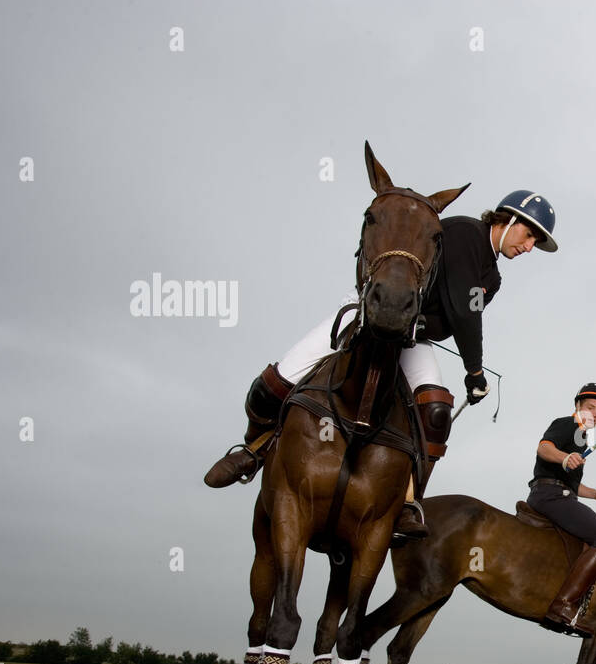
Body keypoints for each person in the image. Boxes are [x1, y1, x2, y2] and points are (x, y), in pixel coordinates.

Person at [203, 189, 559, 543]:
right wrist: (475, 371)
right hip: (366, 312)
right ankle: (253, 451)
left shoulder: (493, 279)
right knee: (274, 383)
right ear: (507, 219)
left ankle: (406, 502)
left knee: (435, 414)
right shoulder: (465, 233)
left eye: (535, 242)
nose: (529, 247)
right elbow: (466, 315)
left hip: (410, 337)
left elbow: (449, 324)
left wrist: (420, 326)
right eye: (529, 235)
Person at [528, 384, 596, 636]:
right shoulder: (566, 424)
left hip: (561, 492)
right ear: (577, 406)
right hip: (550, 496)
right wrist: (565, 457)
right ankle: (563, 605)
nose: (595, 414)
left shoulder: (581, 438)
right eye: (590, 407)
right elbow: (544, 448)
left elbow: (572, 484)